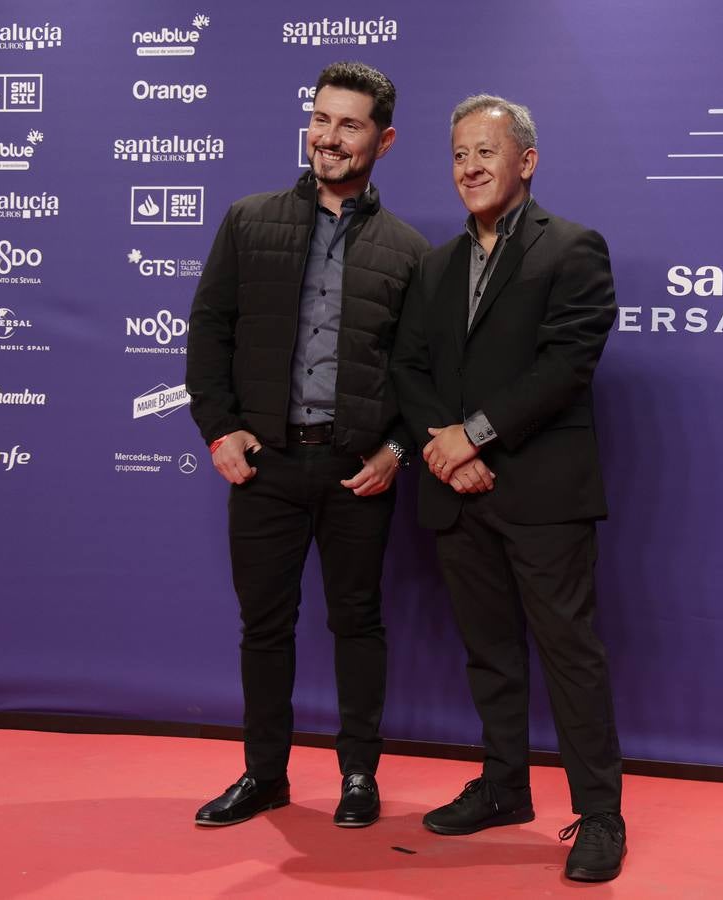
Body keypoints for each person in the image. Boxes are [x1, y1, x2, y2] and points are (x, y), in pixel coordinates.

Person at [185, 61, 427, 829]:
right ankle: (264, 776)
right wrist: (221, 430)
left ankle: (359, 777)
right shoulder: (248, 220)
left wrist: (397, 449)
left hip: (357, 470)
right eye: (321, 118)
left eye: (348, 123)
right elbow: (209, 330)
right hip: (267, 469)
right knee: (264, 626)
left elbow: (422, 373)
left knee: (357, 622)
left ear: (382, 140)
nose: (328, 136)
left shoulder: (410, 250)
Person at [391, 95, 625, 882]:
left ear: (525, 160)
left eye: (485, 152)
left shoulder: (572, 249)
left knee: (570, 657)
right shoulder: (434, 264)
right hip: (458, 492)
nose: (470, 168)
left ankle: (599, 815)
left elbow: (564, 367)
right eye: (458, 154)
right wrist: (446, 450)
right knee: (488, 655)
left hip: (543, 495)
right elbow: (409, 370)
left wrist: (476, 434)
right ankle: (502, 787)